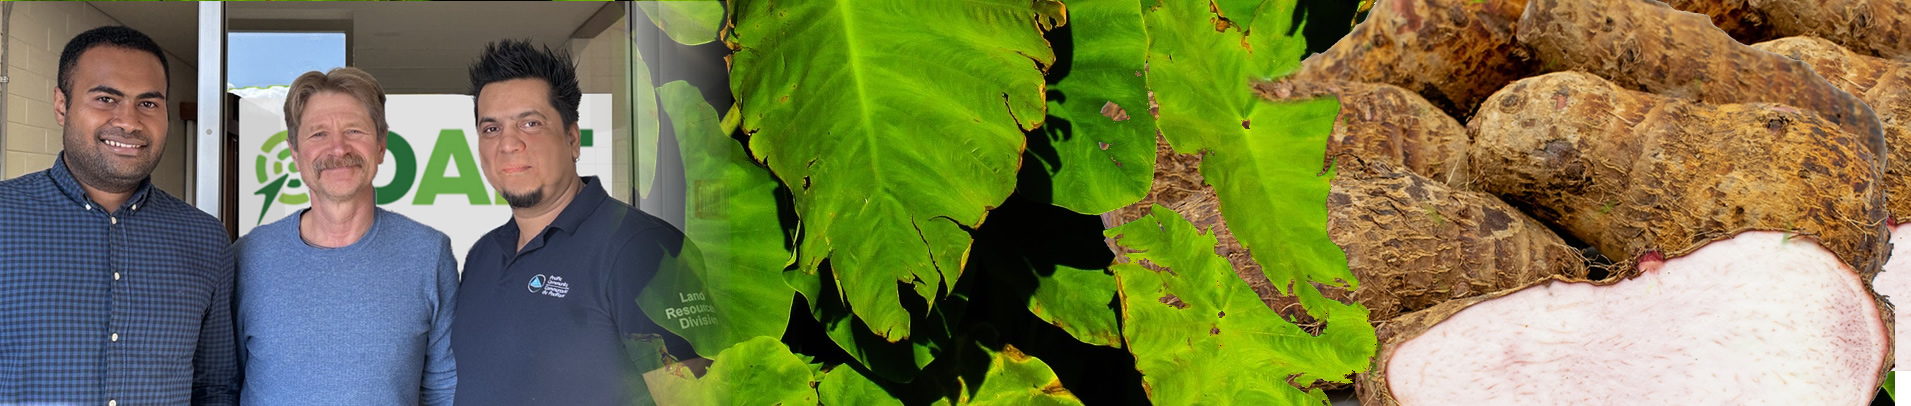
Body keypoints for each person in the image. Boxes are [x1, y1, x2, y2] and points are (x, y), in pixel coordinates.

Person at [452, 39, 702, 405]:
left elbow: (700, 393)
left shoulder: (640, 248)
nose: (508, 143)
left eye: (531, 123)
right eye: (491, 129)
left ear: (572, 138)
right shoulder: (482, 256)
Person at [0, 25, 237, 404]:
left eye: (148, 103)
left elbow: (215, 387)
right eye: (106, 98)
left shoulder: (205, 239)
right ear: (62, 105)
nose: (129, 121)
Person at [232, 67, 458, 404]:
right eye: (318, 134)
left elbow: (444, 391)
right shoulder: (248, 257)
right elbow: (222, 384)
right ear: (295, 152)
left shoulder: (428, 254)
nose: (338, 148)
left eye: (354, 130)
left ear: (381, 145)